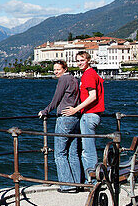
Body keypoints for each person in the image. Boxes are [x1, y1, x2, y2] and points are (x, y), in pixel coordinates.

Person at [38, 60, 82, 192]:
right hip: (75, 117)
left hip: (64, 118)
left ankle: (67, 186)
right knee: (73, 153)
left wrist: (45, 111)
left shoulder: (63, 79)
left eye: (58, 69)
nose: (56, 72)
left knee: (60, 153)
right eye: (54, 70)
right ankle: (77, 183)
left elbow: (56, 99)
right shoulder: (74, 79)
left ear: (65, 69)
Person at [62, 50, 105, 177]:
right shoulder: (92, 73)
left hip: (89, 115)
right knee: (88, 149)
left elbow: (93, 96)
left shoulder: (88, 75)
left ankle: (91, 180)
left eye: (82, 60)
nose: (80, 63)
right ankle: (91, 178)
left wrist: (75, 109)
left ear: (88, 60)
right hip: (93, 115)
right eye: (78, 61)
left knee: (88, 151)